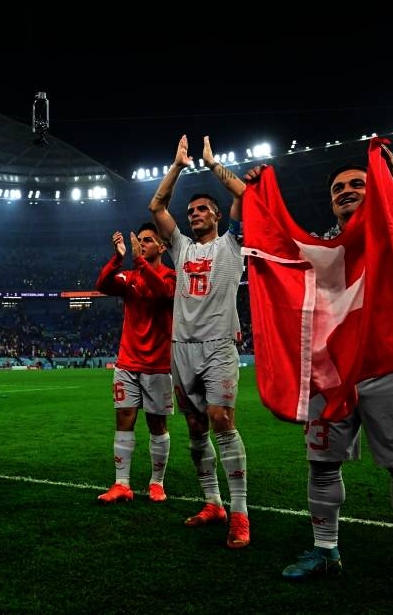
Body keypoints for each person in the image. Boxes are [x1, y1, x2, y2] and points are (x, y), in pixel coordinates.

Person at [250, 141, 393, 605]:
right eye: (338, 187)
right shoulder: (322, 250)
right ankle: (325, 550)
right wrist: (256, 198)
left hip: (386, 368)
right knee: (321, 464)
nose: (347, 191)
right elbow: (275, 252)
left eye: (358, 183)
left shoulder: (392, 234)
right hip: (331, 373)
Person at [148, 134, 251, 549]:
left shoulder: (233, 243)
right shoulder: (180, 247)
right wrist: (177, 166)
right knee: (194, 425)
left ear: (218, 216)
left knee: (222, 421)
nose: (193, 214)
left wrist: (210, 164)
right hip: (181, 347)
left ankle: (240, 513)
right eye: (190, 211)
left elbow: (243, 192)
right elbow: (157, 206)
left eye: (202, 209)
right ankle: (213, 503)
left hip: (219, 345)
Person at [94, 225, 176, 503]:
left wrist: (139, 260)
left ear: (162, 247)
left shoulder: (170, 276)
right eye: (139, 241)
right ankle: (122, 484)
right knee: (124, 420)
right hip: (127, 362)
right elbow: (102, 284)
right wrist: (117, 257)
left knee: (157, 424)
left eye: (148, 241)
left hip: (158, 364)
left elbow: (163, 292)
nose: (141, 245)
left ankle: (157, 483)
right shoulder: (128, 276)